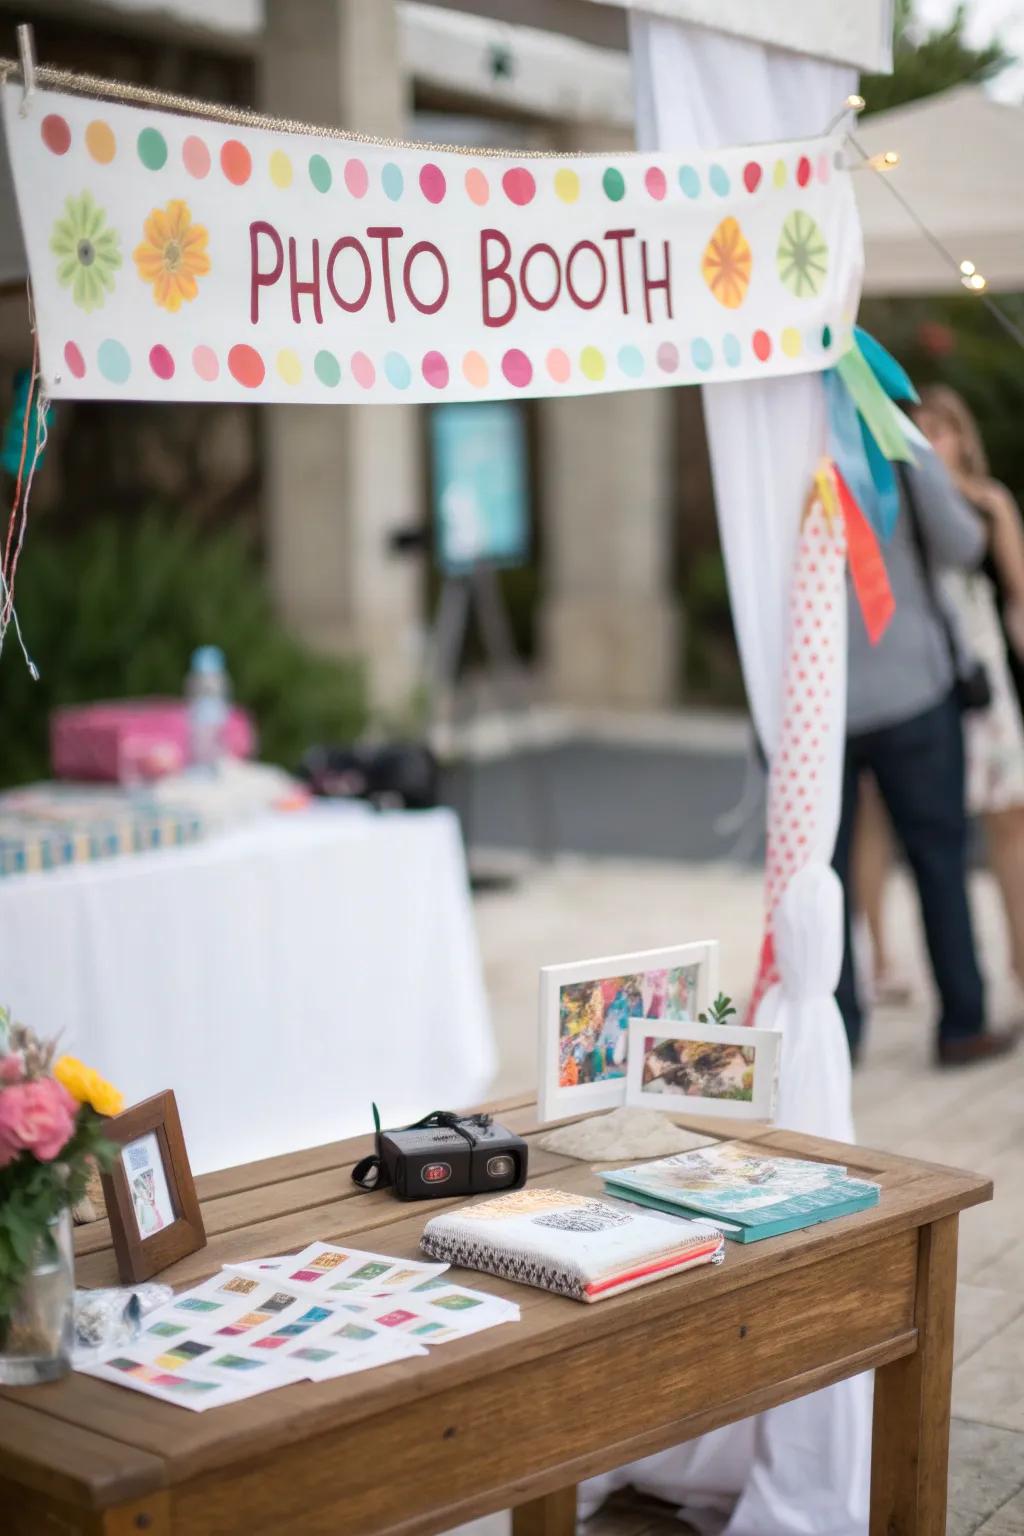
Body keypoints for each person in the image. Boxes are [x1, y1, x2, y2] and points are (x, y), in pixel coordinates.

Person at [833, 439, 1020, 1066]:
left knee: (826, 870)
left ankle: (836, 1033)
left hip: (818, 697)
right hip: (913, 686)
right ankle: (962, 1024)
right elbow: (964, 545)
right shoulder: (896, 445)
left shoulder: (779, 448)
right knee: (939, 859)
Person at [918, 385, 1024, 986]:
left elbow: (1017, 594)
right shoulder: (903, 504)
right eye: (920, 429)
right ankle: (939, 974)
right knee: (936, 833)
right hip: (926, 683)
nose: (930, 441)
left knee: (1009, 818)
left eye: (940, 429)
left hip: (985, 678)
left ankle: (1020, 962)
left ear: (962, 437)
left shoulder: (988, 503)